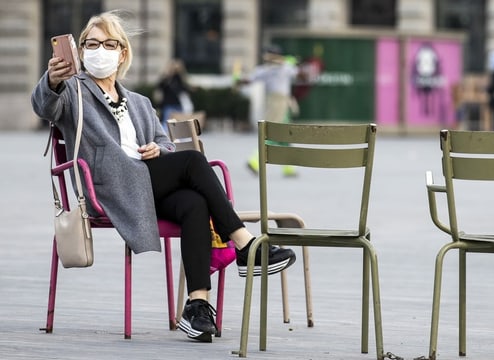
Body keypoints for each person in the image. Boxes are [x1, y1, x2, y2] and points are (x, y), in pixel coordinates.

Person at [31, 11, 296, 343]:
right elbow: (45, 107)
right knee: (195, 162)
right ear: (81, 51)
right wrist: (53, 80)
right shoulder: (74, 91)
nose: (100, 50)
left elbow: (163, 141)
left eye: (108, 43)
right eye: (92, 44)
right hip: (109, 186)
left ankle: (198, 306)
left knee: (195, 203)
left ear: (122, 52)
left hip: (146, 182)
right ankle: (244, 244)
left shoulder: (140, 103)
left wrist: (159, 151)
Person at [242, 45, 300, 177]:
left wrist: (292, 63)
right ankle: (255, 160)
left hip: (282, 103)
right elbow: (248, 80)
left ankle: (289, 168)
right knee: (272, 134)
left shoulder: (284, 67)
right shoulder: (266, 69)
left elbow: (302, 75)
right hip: (276, 104)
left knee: (285, 137)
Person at [155, 59, 193, 131]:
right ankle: (165, 138)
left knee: (179, 123)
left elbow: (185, 88)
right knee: (166, 123)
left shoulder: (179, 77)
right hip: (168, 104)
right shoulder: (166, 78)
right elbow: (160, 87)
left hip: (177, 104)